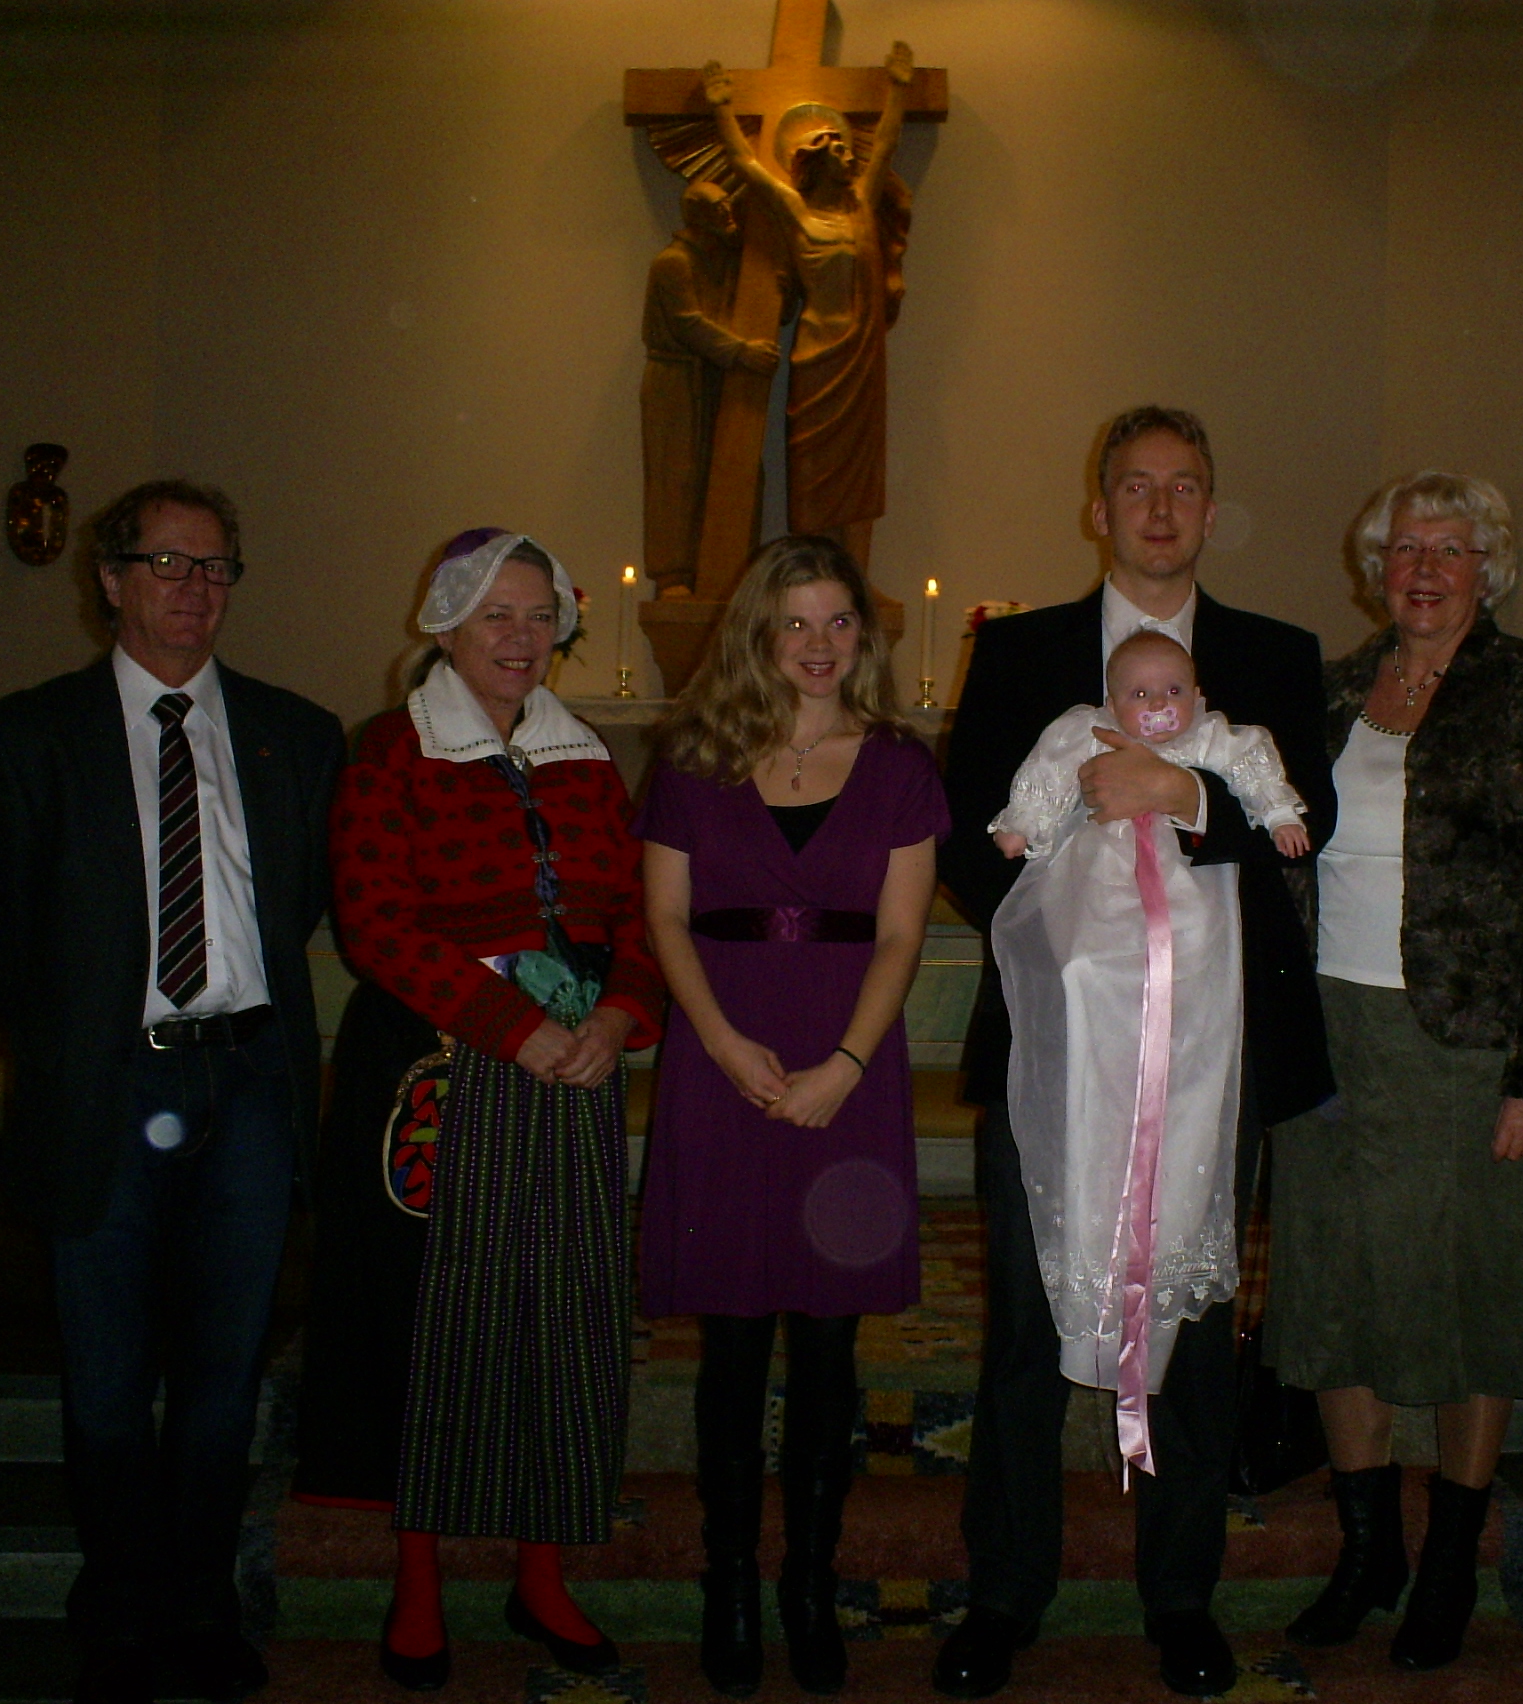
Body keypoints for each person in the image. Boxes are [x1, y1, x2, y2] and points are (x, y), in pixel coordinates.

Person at [937, 407, 1333, 1700]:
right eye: (1136, 487)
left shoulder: (1273, 655)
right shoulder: (1019, 652)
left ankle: (1180, 1598)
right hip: (1058, 1046)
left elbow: (1305, 824)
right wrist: (1070, 895)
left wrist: (1186, 795)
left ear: (1211, 510)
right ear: (1096, 507)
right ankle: (1005, 1594)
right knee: (1022, 1315)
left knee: (1195, 1322)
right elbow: (966, 843)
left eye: (1185, 487)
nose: (1160, 509)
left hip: (1213, 1048)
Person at [0, 480, 345, 1704]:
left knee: (224, 1380)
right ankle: (120, 1608)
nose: (193, 589)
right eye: (167, 563)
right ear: (110, 579)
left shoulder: (296, 734)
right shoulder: (28, 736)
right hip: (111, 1088)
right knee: (112, 1378)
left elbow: (298, 904)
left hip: (251, 1086)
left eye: (216, 567)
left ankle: (200, 1605)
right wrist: (82, 1045)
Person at [1266, 471, 1523, 1672]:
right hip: (1328, 1032)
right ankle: (1369, 1553)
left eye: (1448, 551)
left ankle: (1451, 1558)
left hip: (1467, 1043)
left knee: (1476, 1297)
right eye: (1404, 548)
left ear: (1486, 569)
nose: (1422, 570)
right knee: (1331, 1289)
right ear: (1375, 565)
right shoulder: (1331, 689)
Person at [328, 528, 665, 1691]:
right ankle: (418, 1580)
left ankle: (542, 1573)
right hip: (445, 1070)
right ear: (445, 625)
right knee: (440, 1325)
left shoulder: (586, 760)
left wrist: (618, 1015)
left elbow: (638, 911)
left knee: (564, 1322)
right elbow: (375, 923)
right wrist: (511, 1027)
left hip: (577, 1072)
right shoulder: (392, 752)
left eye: (538, 616)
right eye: (494, 616)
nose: (521, 638)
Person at [636, 533, 947, 1697]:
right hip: (721, 1063)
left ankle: (808, 1586)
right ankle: (727, 1584)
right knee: (729, 1345)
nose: (818, 645)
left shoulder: (902, 766)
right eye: (794, 623)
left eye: (838, 621)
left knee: (826, 1344)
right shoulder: (692, 756)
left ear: (862, 635)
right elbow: (665, 920)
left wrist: (846, 1064)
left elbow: (903, 933)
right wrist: (722, 1045)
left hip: (845, 1071)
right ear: (757, 633)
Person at [988, 631, 1308, 1469]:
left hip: (1194, 920)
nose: (1159, 707)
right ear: (1111, 697)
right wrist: (1025, 824)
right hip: (1100, 903)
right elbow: (1043, 776)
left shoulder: (1214, 735)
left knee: (1191, 978)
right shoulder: (1080, 727)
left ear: (1196, 696)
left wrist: (1271, 810)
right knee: (1085, 968)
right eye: (1140, 693)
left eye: (1174, 692)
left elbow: (1258, 769)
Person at [704, 44, 915, 565]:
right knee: (813, 472)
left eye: (845, 147)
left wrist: (898, 89)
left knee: (861, 473)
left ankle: (857, 577)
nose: (848, 153)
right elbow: (745, 165)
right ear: (815, 162)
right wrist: (722, 108)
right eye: (836, 149)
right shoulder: (796, 212)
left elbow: (885, 145)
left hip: (860, 359)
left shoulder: (861, 207)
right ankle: (815, 574)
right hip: (817, 357)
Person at [641, 179, 780, 595]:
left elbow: (754, 307)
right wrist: (741, 352)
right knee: (676, 476)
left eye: (727, 205)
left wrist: (781, 292)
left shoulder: (728, 262)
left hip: (719, 376)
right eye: (718, 208)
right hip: (676, 380)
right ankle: (673, 574)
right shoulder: (674, 262)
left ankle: (730, 567)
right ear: (698, 216)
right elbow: (687, 322)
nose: (728, 214)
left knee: (735, 468)